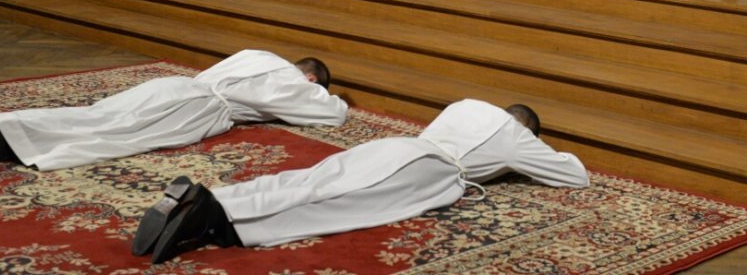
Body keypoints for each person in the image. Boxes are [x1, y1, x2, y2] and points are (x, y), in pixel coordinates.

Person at [131, 98, 588, 264]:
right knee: (340, 203)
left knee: (311, 178)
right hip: (429, 170)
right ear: (524, 126)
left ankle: (211, 199)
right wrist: (525, 153)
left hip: (395, 147)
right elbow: (573, 175)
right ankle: (219, 220)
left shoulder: (466, 105)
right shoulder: (513, 135)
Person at [0, 51, 346, 174]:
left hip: (175, 87)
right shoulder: (291, 82)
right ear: (310, 79)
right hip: (195, 108)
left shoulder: (256, 54)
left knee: (93, 115)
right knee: (108, 134)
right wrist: (329, 96)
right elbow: (331, 115)